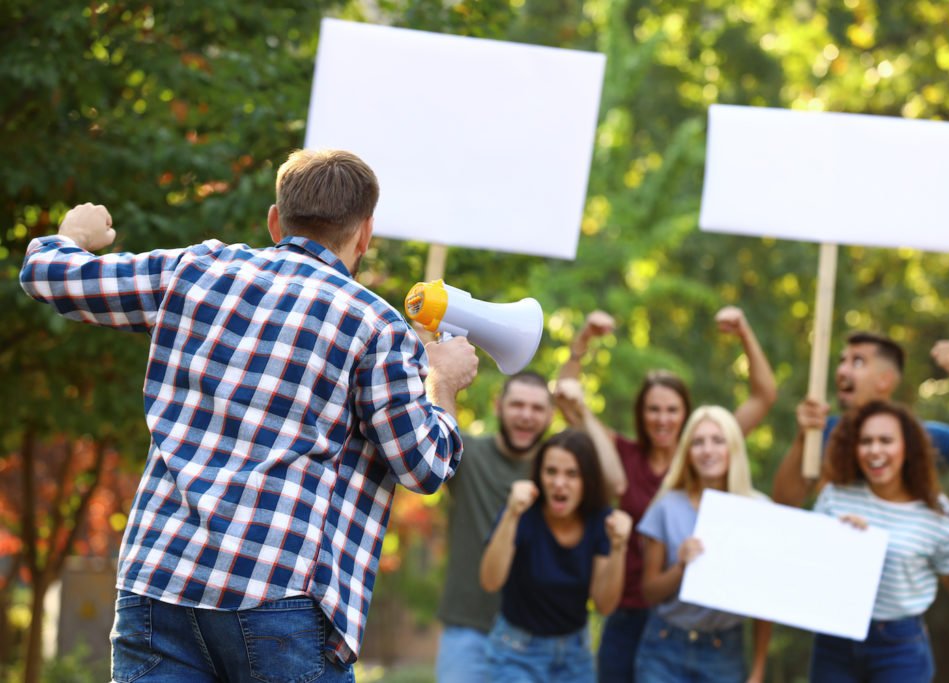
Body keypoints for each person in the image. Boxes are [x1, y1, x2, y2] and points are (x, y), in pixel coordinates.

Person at [20, 150, 479, 682]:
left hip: (158, 578)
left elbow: (49, 274)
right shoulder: (375, 326)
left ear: (275, 220)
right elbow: (424, 465)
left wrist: (72, 233)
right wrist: (440, 384)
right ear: (364, 234)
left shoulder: (196, 269)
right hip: (278, 592)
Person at [559, 307, 777, 683]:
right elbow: (567, 401)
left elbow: (764, 395)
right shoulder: (621, 455)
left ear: (687, 414)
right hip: (632, 610)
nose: (663, 418)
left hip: (697, 619)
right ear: (641, 414)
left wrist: (744, 331)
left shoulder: (708, 450)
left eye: (672, 410)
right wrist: (582, 342)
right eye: (653, 410)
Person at [810, 400, 949, 682]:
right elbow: (808, 565)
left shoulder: (937, 512)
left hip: (899, 646)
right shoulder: (836, 495)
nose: (875, 450)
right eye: (866, 441)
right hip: (836, 639)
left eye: (886, 441)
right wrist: (840, 539)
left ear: (907, 448)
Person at [772, 331, 949, 507]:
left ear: (885, 380)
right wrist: (804, 437)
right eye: (842, 361)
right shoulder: (827, 431)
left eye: (857, 361)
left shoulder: (920, 438)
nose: (842, 371)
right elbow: (784, 502)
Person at [479, 429, 632, 683]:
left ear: (588, 479)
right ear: (539, 474)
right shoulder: (523, 514)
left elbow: (604, 604)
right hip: (516, 653)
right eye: (551, 472)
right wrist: (511, 514)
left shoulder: (601, 521)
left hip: (575, 656)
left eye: (572, 474)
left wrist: (619, 547)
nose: (559, 483)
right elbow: (490, 581)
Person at [434, 371, 556, 683]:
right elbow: (441, 425)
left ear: (551, 415)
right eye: (517, 405)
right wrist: (441, 374)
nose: (526, 416)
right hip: (467, 632)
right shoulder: (468, 455)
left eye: (537, 408)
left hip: (535, 635)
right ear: (498, 405)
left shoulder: (559, 473)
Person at [634, 406, 771, 683]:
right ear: (687, 451)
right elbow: (649, 591)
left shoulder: (758, 510)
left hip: (724, 651)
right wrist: (681, 566)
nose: (708, 450)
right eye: (698, 442)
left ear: (733, 446)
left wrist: (757, 669)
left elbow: (764, 602)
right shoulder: (666, 507)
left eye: (717, 440)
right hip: (665, 647)